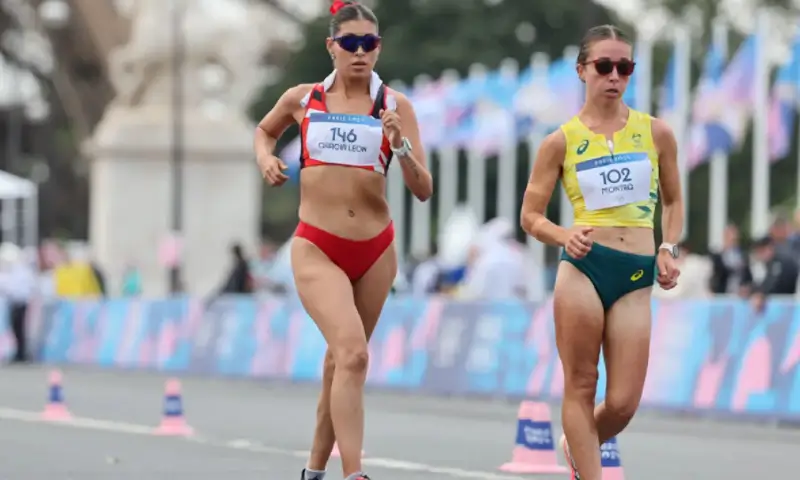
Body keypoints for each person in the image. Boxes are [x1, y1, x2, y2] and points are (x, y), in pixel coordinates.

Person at [253, 1, 432, 479]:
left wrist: (401, 146)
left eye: (368, 43)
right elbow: (264, 132)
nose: (359, 52)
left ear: (378, 49)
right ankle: (354, 473)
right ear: (331, 46)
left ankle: (313, 470)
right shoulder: (303, 98)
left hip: (376, 249)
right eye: (349, 43)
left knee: (342, 365)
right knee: (353, 353)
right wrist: (266, 160)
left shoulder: (395, 106)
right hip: (318, 245)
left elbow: (422, 189)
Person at [520, 25, 683, 480]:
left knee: (624, 402)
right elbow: (530, 216)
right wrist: (562, 236)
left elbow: (673, 201)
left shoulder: (657, 133)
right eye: (604, 66)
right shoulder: (561, 141)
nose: (615, 76)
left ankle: (578, 443)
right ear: (582, 70)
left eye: (625, 67)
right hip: (584, 268)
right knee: (581, 383)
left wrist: (668, 247)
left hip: (636, 272)